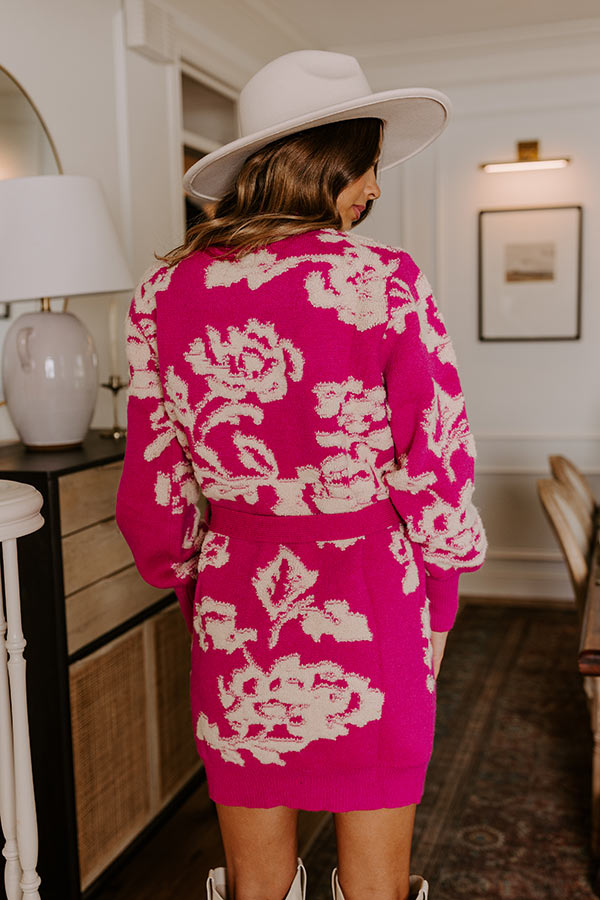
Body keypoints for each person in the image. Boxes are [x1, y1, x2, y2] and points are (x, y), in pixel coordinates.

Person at [116, 50, 487, 900]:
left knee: (256, 884)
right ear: (322, 164)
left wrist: (198, 586)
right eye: (365, 167)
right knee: (375, 885)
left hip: (236, 601)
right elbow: (438, 457)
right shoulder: (384, 281)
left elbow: (154, 492)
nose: (374, 189)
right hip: (374, 597)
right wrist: (440, 601)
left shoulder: (163, 292)